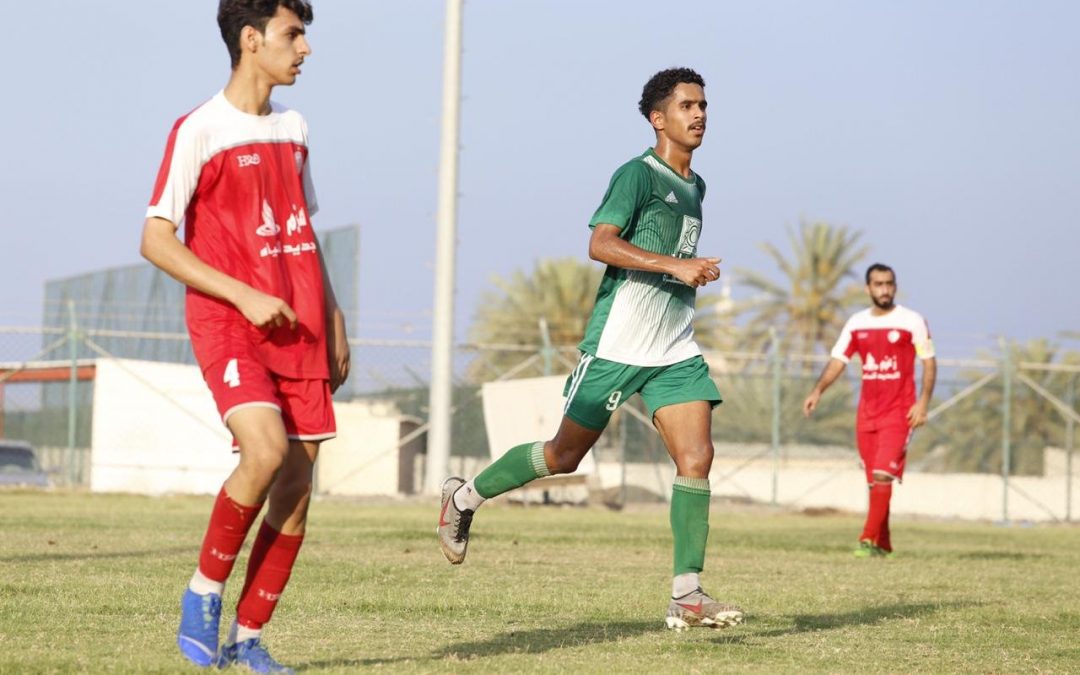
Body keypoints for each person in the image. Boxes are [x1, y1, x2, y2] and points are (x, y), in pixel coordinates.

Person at [438, 67, 744, 632]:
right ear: (658, 119)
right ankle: (464, 499)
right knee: (563, 457)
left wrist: (688, 272)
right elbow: (601, 244)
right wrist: (675, 266)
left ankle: (687, 593)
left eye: (703, 105)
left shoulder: (696, 186)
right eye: (687, 106)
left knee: (697, 458)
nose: (700, 114)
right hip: (617, 346)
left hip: (673, 349)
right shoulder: (636, 175)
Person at [140, 1, 349, 671]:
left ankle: (248, 639)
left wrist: (334, 315)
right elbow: (155, 239)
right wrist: (243, 293)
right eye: (294, 34)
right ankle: (203, 591)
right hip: (229, 321)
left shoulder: (295, 126)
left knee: (295, 492)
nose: (305, 49)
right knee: (263, 452)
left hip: (301, 326)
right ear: (251, 39)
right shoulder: (198, 128)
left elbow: (303, 230)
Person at [802, 263, 935, 558]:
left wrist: (923, 403)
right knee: (874, 481)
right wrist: (818, 390)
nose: (884, 289)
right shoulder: (857, 323)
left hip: (900, 412)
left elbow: (929, 362)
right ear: (868, 288)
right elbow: (838, 361)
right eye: (878, 284)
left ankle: (866, 539)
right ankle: (883, 543)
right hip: (867, 414)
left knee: (883, 475)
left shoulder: (912, 321)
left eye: (889, 283)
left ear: (895, 286)